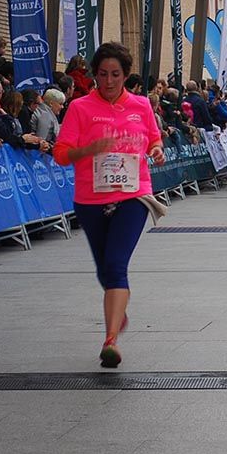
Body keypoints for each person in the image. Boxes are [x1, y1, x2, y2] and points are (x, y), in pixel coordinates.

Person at [53, 42, 166, 368]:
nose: (109, 81)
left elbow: (153, 139)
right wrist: (88, 149)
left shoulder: (142, 105)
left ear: (126, 75)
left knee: (116, 264)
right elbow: (61, 154)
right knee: (105, 270)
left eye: (115, 74)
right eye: (102, 74)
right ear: (94, 74)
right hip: (91, 199)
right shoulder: (79, 108)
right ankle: (118, 310)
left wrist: (156, 150)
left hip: (133, 195)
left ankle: (110, 340)